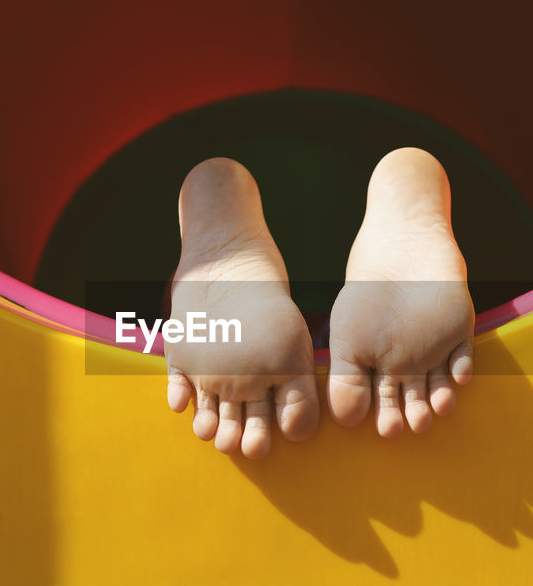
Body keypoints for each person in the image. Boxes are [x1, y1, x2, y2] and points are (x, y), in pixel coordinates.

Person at [165, 147, 475, 459]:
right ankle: (406, 202)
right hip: (342, 340)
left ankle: (204, 282)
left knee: (167, 327)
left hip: (271, 358)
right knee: (361, 349)